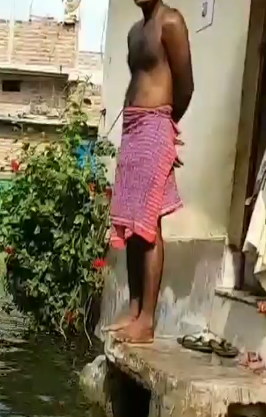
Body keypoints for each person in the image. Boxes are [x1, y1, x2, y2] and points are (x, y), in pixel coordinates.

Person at [104, 0, 193, 344]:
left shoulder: (170, 22)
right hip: (132, 128)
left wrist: (165, 130)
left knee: (149, 220)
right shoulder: (133, 33)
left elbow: (185, 85)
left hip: (155, 126)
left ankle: (148, 321)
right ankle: (134, 309)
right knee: (129, 221)